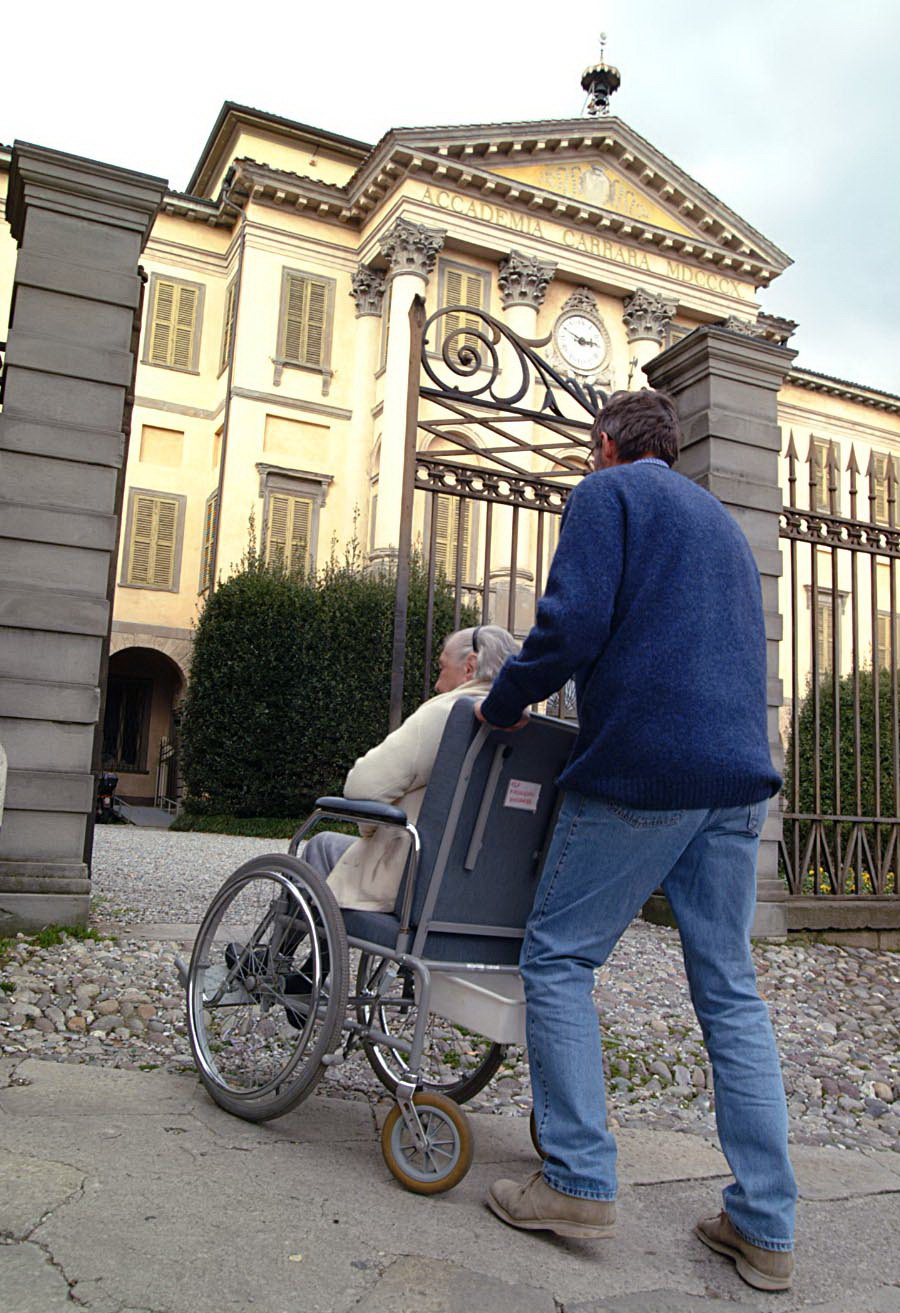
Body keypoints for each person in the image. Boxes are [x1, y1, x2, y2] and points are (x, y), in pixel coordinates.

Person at [476, 389, 797, 1292]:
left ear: (605, 444)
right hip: (738, 780)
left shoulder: (606, 496)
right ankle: (765, 1224)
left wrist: (503, 705)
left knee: (558, 956)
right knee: (730, 991)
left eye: (590, 450)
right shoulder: (724, 527)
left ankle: (578, 1178)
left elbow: (569, 626)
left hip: (648, 772)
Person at [301, 624, 520, 912]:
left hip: (414, 885)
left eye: (442, 669)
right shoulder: (528, 731)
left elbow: (362, 786)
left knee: (321, 845)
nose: (438, 685)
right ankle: (310, 957)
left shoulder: (449, 714)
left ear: (470, 667)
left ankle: (276, 954)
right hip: (486, 901)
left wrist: (369, 829)